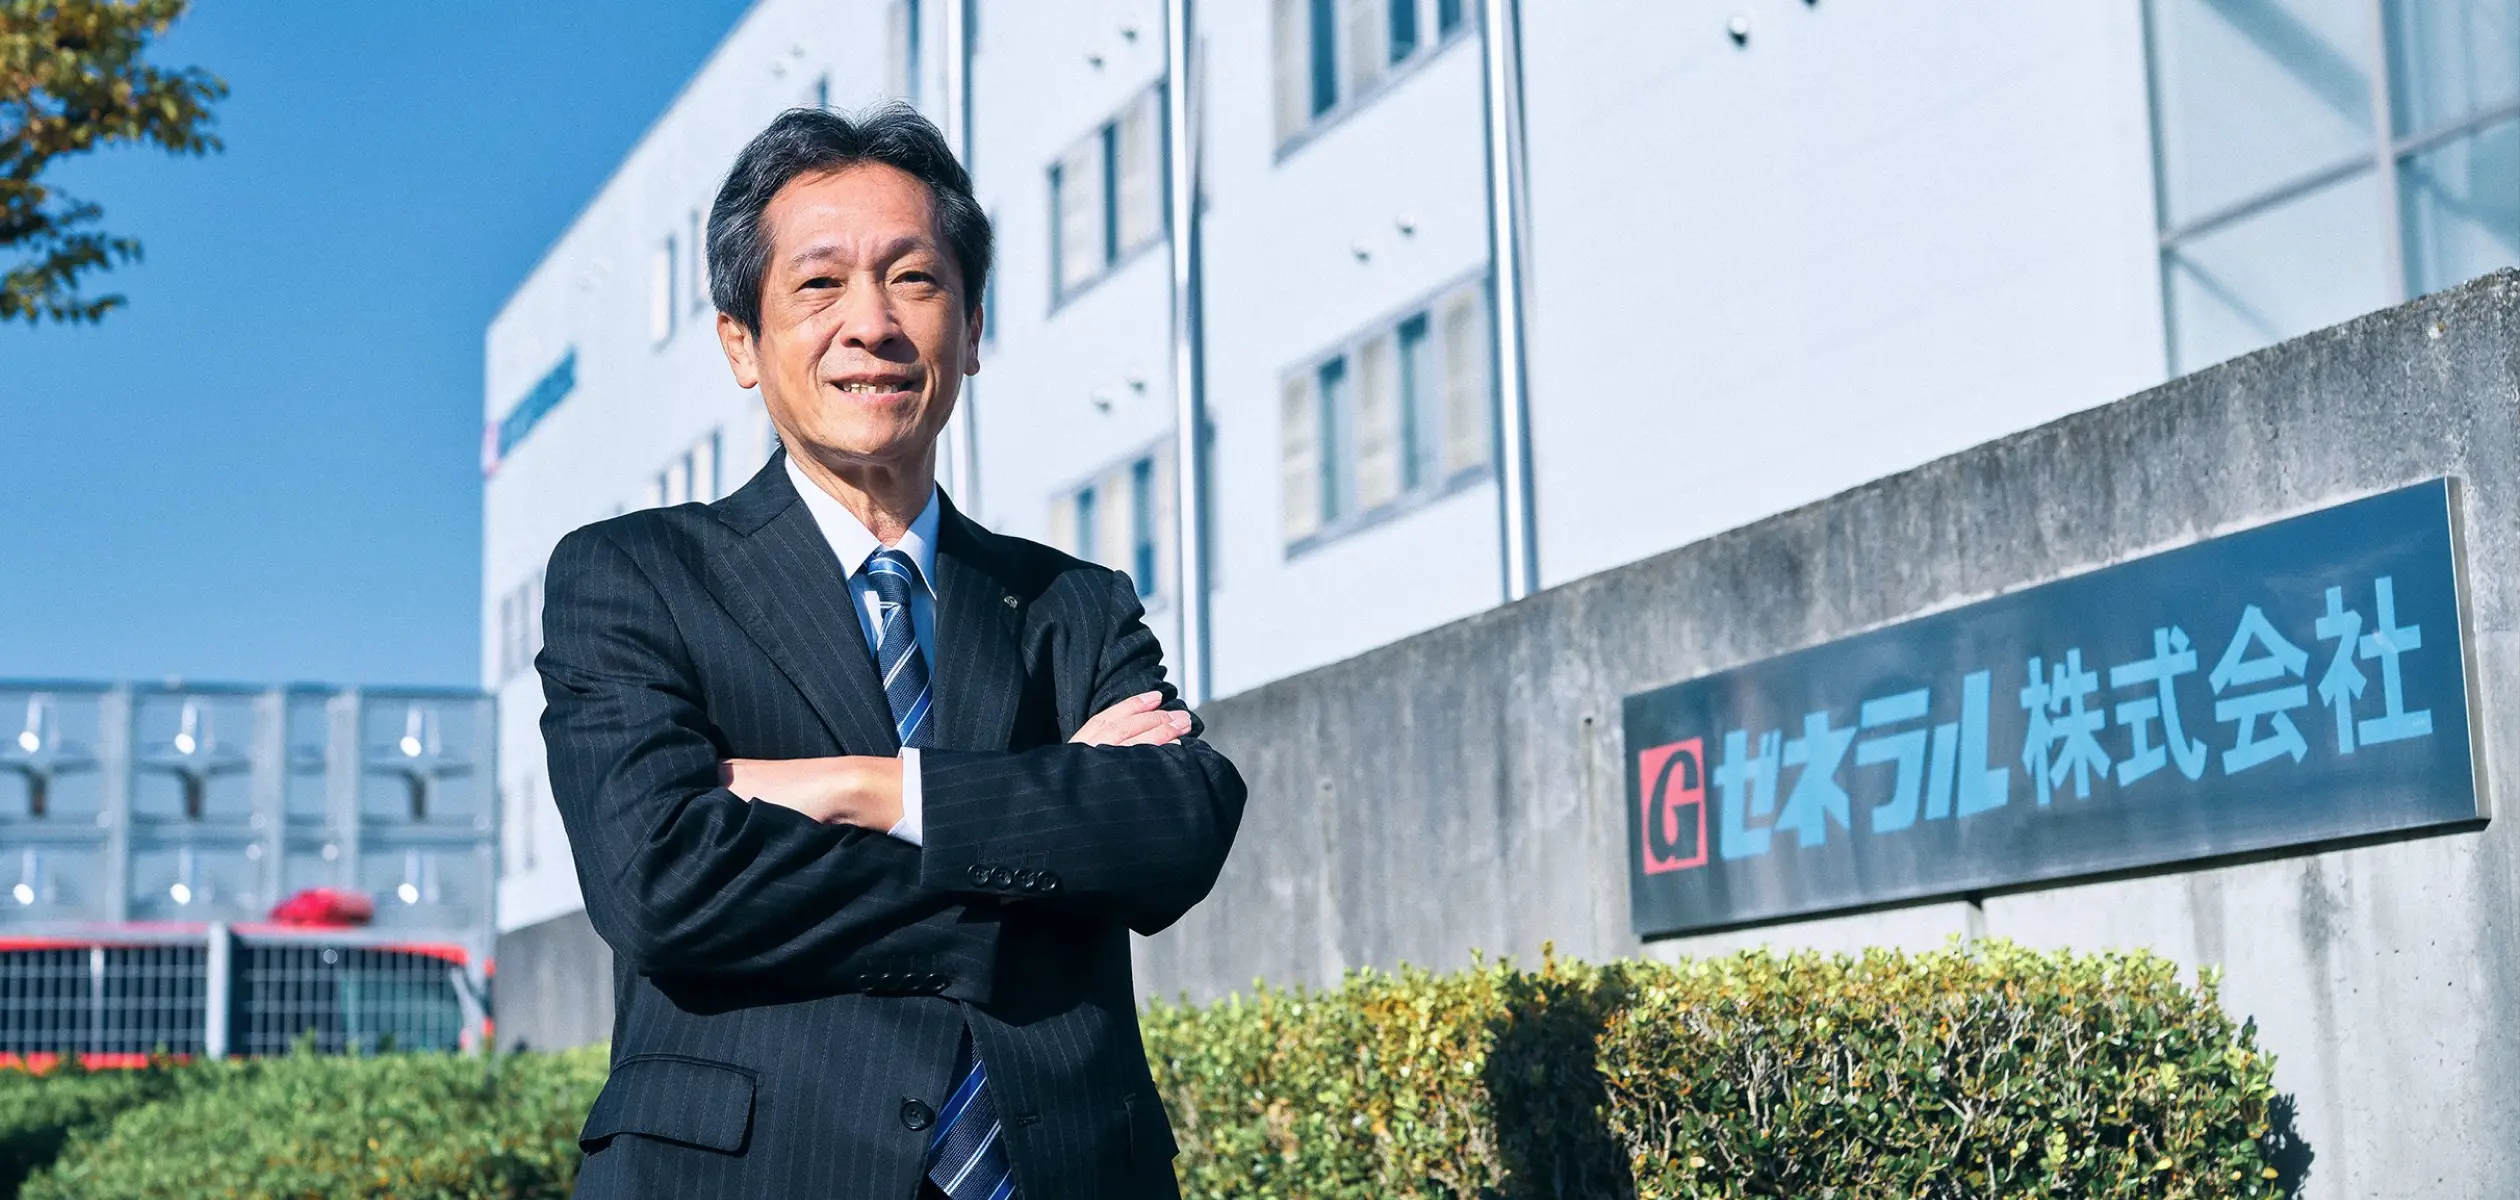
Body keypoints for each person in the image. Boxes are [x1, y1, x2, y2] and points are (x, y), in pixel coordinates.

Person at [537, 103, 1247, 1199]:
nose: (870, 323)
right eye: (819, 285)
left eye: (914, 279)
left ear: (972, 330)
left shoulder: (1068, 600)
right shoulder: (633, 576)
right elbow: (661, 883)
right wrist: (1033, 841)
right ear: (741, 342)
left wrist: (867, 789)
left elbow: (1176, 823)